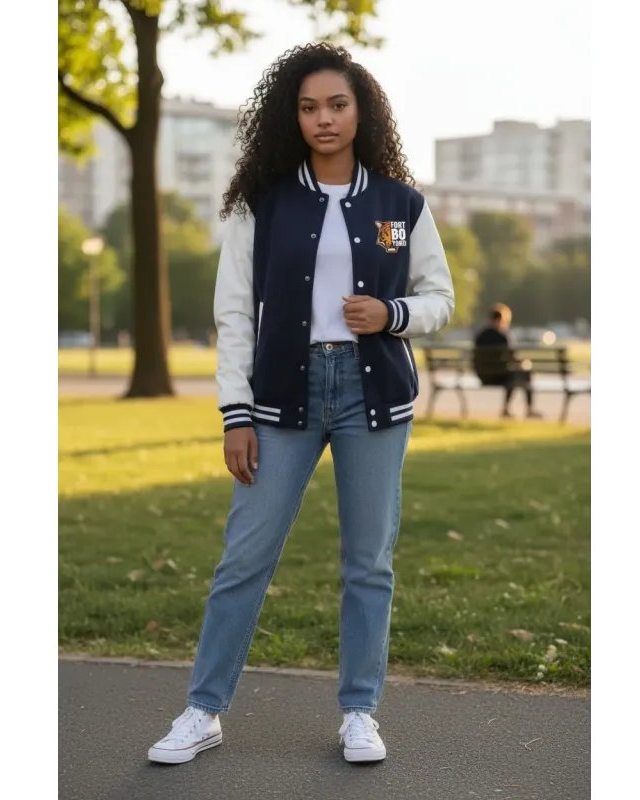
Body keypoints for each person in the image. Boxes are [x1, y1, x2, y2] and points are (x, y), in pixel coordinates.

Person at [147, 42, 454, 767]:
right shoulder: (263, 202)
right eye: (310, 106)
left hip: (372, 397)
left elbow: (440, 298)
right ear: (293, 115)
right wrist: (235, 413)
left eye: (337, 105)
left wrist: (393, 315)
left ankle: (359, 712)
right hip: (280, 399)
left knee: (368, 562)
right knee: (244, 557)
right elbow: (234, 316)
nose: (324, 118)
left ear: (362, 111)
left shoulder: (402, 204)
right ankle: (203, 708)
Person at [472, 304, 542, 419]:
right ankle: (528, 409)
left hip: (483, 375)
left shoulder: (481, 335)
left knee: (513, 376)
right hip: (499, 376)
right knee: (523, 374)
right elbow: (512, 357)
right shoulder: (503, 336)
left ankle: (506, 409)